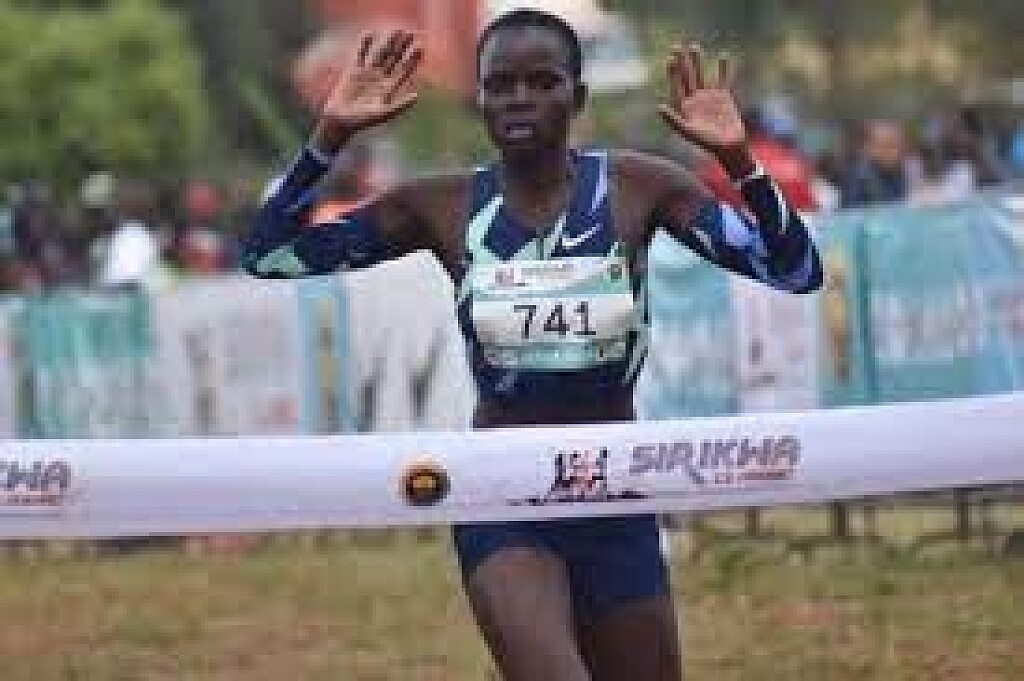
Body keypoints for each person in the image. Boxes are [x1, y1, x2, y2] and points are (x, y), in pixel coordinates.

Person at [243, 10, 822, 680]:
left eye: (542, 82)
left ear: (577, 97)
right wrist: (330, 137)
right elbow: (269, 255)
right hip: (505, 494)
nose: (519, 98)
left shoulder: (641, 189)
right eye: (501, 84)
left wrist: (739, 162)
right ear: (480, 99)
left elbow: (796, 271)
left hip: (615, 490)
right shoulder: (442, 206)